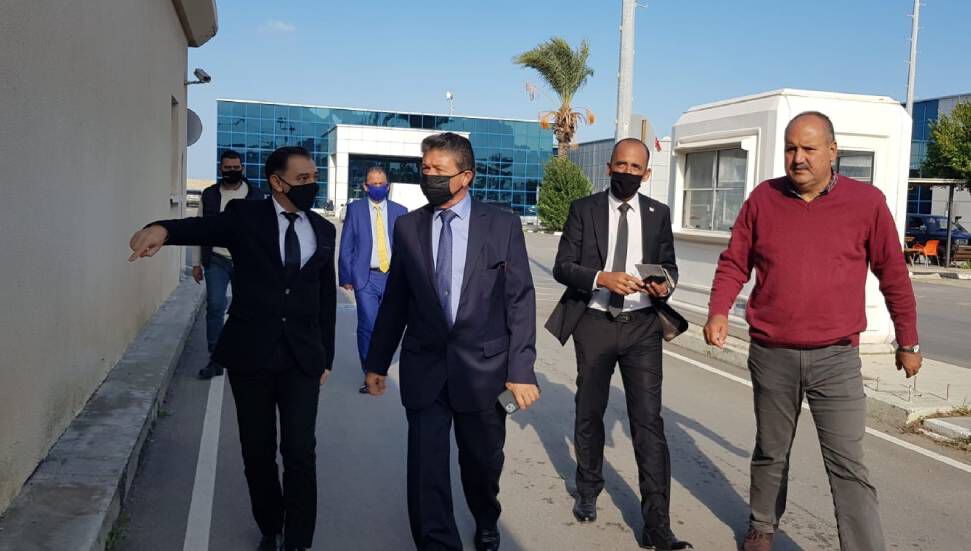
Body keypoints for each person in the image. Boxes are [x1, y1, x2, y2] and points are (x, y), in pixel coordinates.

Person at [703, 112, 921, 551]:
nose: (798, 158)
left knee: (847, 463)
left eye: (808, 148)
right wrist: (718, 310)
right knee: (771, 450)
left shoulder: (866, 203)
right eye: (790, 148)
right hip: (772, 354)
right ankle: (762, 526)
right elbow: (734, 262)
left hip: (836, 358)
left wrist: (908, 339)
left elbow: (893, 274)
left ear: (832, 151)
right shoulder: (763, 199)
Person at [128, 146, 336, 551]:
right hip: (251, 354)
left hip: (301, 358)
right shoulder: (245, 217)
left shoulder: (322, 230)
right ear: (277, 182)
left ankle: (297, 539)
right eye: (303, 179)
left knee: (299, 451)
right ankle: (271, 526)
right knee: (257, 451)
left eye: (314, 177)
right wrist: (162, 230)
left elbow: (325, 297)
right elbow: (201, 228)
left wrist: (325, 355)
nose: (312, 185)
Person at [364, 132, 540, 551]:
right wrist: (377, 363)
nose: (429, 176)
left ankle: (486, 517)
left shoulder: (501, 225)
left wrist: (521, 370)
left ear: (466, 176)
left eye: (439, 170)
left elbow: (519, 301)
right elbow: (396, 301)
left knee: (483, 463)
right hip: (425, 368)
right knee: (426, 470)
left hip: (483, 372)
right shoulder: (408, 227)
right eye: (425, 168)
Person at [546, 138, 692, 550]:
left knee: (648, 422)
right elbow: (562, 267)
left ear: (647, 173)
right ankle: (588, 487)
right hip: (594, 322)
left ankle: (657, 524)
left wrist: (664, 284)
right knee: (589, 410)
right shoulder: (584, 209)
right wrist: (601, 278)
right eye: (621, 165)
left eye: (635, 167)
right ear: (609, 167)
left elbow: (669, 266)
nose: (627, 172)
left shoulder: (658, 213)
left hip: (642, 326)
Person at [193, 149, 265, 379]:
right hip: (216, 259)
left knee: (248, 308)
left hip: (246, 261)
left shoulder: (256, 195)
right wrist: (196, 263)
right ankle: (215, 358)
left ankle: (247, 355)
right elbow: (199, 230)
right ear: (220, 169)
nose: (232, 171)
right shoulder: (209, 195)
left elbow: (265, 233)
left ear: (242, 168)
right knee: (215, 305)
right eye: (227, 168)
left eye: (236, 168)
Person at [338, 166, 407, 393]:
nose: (378, 187)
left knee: (389, 325)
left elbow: (407, 247)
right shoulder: (355, 209)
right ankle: (369, 371)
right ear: (365, 187)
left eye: (381, 183)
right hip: (365, 276)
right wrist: (345, 275)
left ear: (387, 186)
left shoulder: (400, 211)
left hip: (392, 277)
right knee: (368, 324)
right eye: (373, 183)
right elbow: (347, 244)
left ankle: (379, 365)